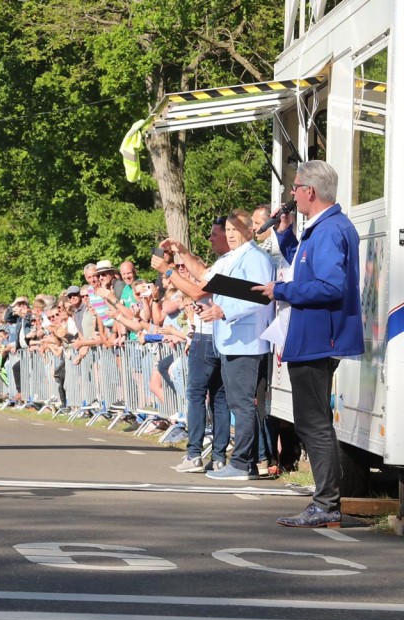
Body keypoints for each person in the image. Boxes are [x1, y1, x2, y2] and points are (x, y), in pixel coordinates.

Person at [253, 160, 363, 528]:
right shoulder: (323, 228)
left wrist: (279, 289)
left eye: (295, 187)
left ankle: (326, 504)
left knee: (313, 423)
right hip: (313, 336)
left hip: (318, 338)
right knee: (313, 422)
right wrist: (285, 235)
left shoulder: (330, 230)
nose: (292, 193)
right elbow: (307, 268)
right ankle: (326, 502)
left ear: (310, 192)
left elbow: (330, 286)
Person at [195, 209, 275, 481]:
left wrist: (224, 312)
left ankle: (241, 463)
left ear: (249, 231)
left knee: (242, 405)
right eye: (227, 230)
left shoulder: (255, 258)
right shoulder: (232, 258)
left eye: (235, 229)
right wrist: (212, 308)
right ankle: (247, 462)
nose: (230, 235)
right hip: (230, 341)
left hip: (246, 343)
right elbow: (228, 294)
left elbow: (259, 298)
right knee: (237, 404)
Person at [152, 216, 231, 474]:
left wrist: (167, 270)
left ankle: (195, 454)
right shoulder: (224, 263)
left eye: (215, 233)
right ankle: (218, 457)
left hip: (210, 337)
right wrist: (180, 252)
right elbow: (197, 272)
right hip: (216, 335)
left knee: (196, 395)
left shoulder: (223, 264)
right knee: (218, 398)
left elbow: (198, 289)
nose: (210, 238)